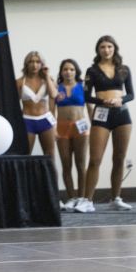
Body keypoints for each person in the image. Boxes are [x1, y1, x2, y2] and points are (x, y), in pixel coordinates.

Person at [74, 35, 134, 213]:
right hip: (101, 114)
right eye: (102, 47)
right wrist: (102, 101)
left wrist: (120, 99)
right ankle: (87, 200)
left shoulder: (124, 69)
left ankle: (116, 198)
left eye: (109, 47)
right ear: (98, 50)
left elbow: (131, 94)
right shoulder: (91, 71)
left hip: (122, 115)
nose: (106, 50)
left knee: (119, 158)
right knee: (95, 159)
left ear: (114, 48)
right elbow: (86, 96)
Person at [53, 58, 89, 210]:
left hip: (81, 127)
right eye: (65, 69)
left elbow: (91, 107)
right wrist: (53, 128)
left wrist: (94, 127)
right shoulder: (56, 88)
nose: (68, 72)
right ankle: (71, 197)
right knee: (66, 164)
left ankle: (82, 197)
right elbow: (50, 109)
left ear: (76, 71)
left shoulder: (83, 86)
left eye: (72, 69)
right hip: (61, 127)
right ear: (61, 72)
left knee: (81, 164)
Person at [17, 50, 58, 159]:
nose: (34, 65)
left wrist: (47, 75)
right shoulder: (20, 82)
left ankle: (50, 177)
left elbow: (53, 95)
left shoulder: (48, 80)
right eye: (31, 62)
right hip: (27, 120)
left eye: (38, 62)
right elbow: (14, 103)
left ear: (42, 64)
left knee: (50, 155)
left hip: (45, 119)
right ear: (26, 64)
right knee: (25, 155)